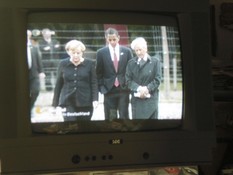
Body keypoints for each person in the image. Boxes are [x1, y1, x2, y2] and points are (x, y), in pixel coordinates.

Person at [52, 40, 98, 121]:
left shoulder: (90, 64)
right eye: (73, 53)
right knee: (70, 125)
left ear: (82, 52)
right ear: (68, 52)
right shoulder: (63, 64)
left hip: (86, 101)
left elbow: (94, 83)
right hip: (67, 101)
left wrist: (95, 99)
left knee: (84, 126)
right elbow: (58, 84)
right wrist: (55, 104)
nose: (75, 55)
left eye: (78, 53)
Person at [96, 27, 133, 120]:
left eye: (114, 39)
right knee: (110, 117)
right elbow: (98, 72)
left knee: (124, 115)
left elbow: (131, 70)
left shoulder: (127, 51)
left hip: (123, 88)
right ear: (106, 39)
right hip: (109, 89)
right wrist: (102, 88)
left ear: (118, 38)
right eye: (110, 40)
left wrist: (129, 85)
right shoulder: (101, 53)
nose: (112, 42)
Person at [125, 37, 161, 119]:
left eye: (140, 50)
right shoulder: (131, 63)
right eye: (136, 50)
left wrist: (147, 89)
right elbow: (128, 80)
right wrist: (139, 88)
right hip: (137, 100)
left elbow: (157, 79)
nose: (138, 52)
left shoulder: (155, 62)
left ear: (145, 48)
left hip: (151, 98)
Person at [27, 30, 46, 110]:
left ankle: (29, 108)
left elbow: (38, 60)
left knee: (35, 91)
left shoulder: (33, 47)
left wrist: (41, 71)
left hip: (33, 73)